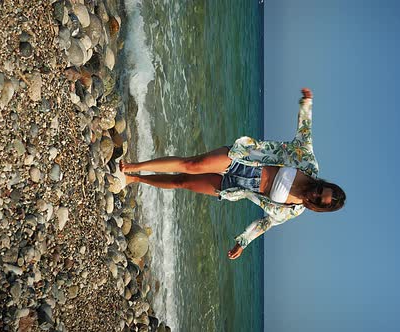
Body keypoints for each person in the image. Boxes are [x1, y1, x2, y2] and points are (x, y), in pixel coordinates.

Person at [115, 88, 346, 260]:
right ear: (322, 184)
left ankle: (134, 179)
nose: (315, 195)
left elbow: (266, 223)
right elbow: (304, 132)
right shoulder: (307, 164)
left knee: (182, 182)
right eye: (320, 190)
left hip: (236, 187)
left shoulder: (294, 209)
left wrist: (242, 242)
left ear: (319, 207)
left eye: (319, 201)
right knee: (191, 164)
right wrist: (306, 102)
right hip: (244, 160)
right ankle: (133, 166)